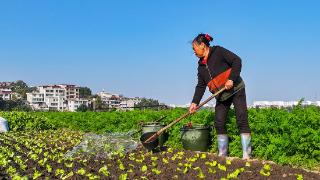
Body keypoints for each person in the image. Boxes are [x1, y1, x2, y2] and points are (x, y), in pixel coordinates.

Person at [189, 33, 252, 160]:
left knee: (241, 118)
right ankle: (222, 154)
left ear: (202, 45)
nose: (193, 51)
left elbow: (237, 61)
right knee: (219, 121)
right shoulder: (201, 66)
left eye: (194, 48)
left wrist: (231, 79)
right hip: (222, 95)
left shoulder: (218, 51)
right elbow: (200, 86)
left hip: (236, 89)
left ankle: (247, 155)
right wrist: (194, 102)